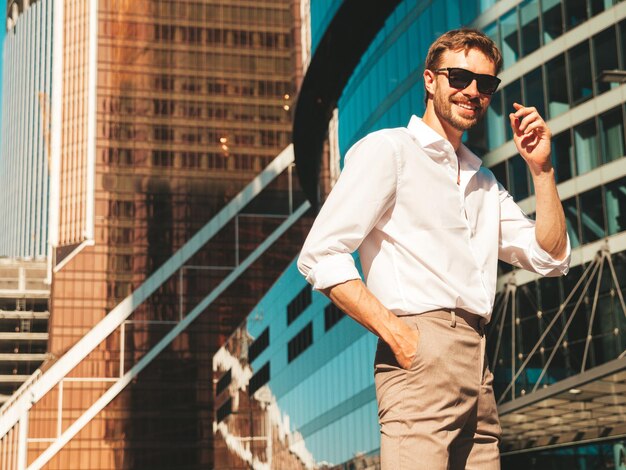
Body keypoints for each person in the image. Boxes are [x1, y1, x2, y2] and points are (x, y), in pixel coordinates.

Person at [297, 28, 570, 469]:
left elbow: (550, 256)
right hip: (419, 353)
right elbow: (319, 255)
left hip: (477, 362)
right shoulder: (390, 151)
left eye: (485, 84)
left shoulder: (484, 181)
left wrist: (542, 171)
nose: (472, 92)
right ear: (429, 80)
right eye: (459, 77)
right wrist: (404, 338)